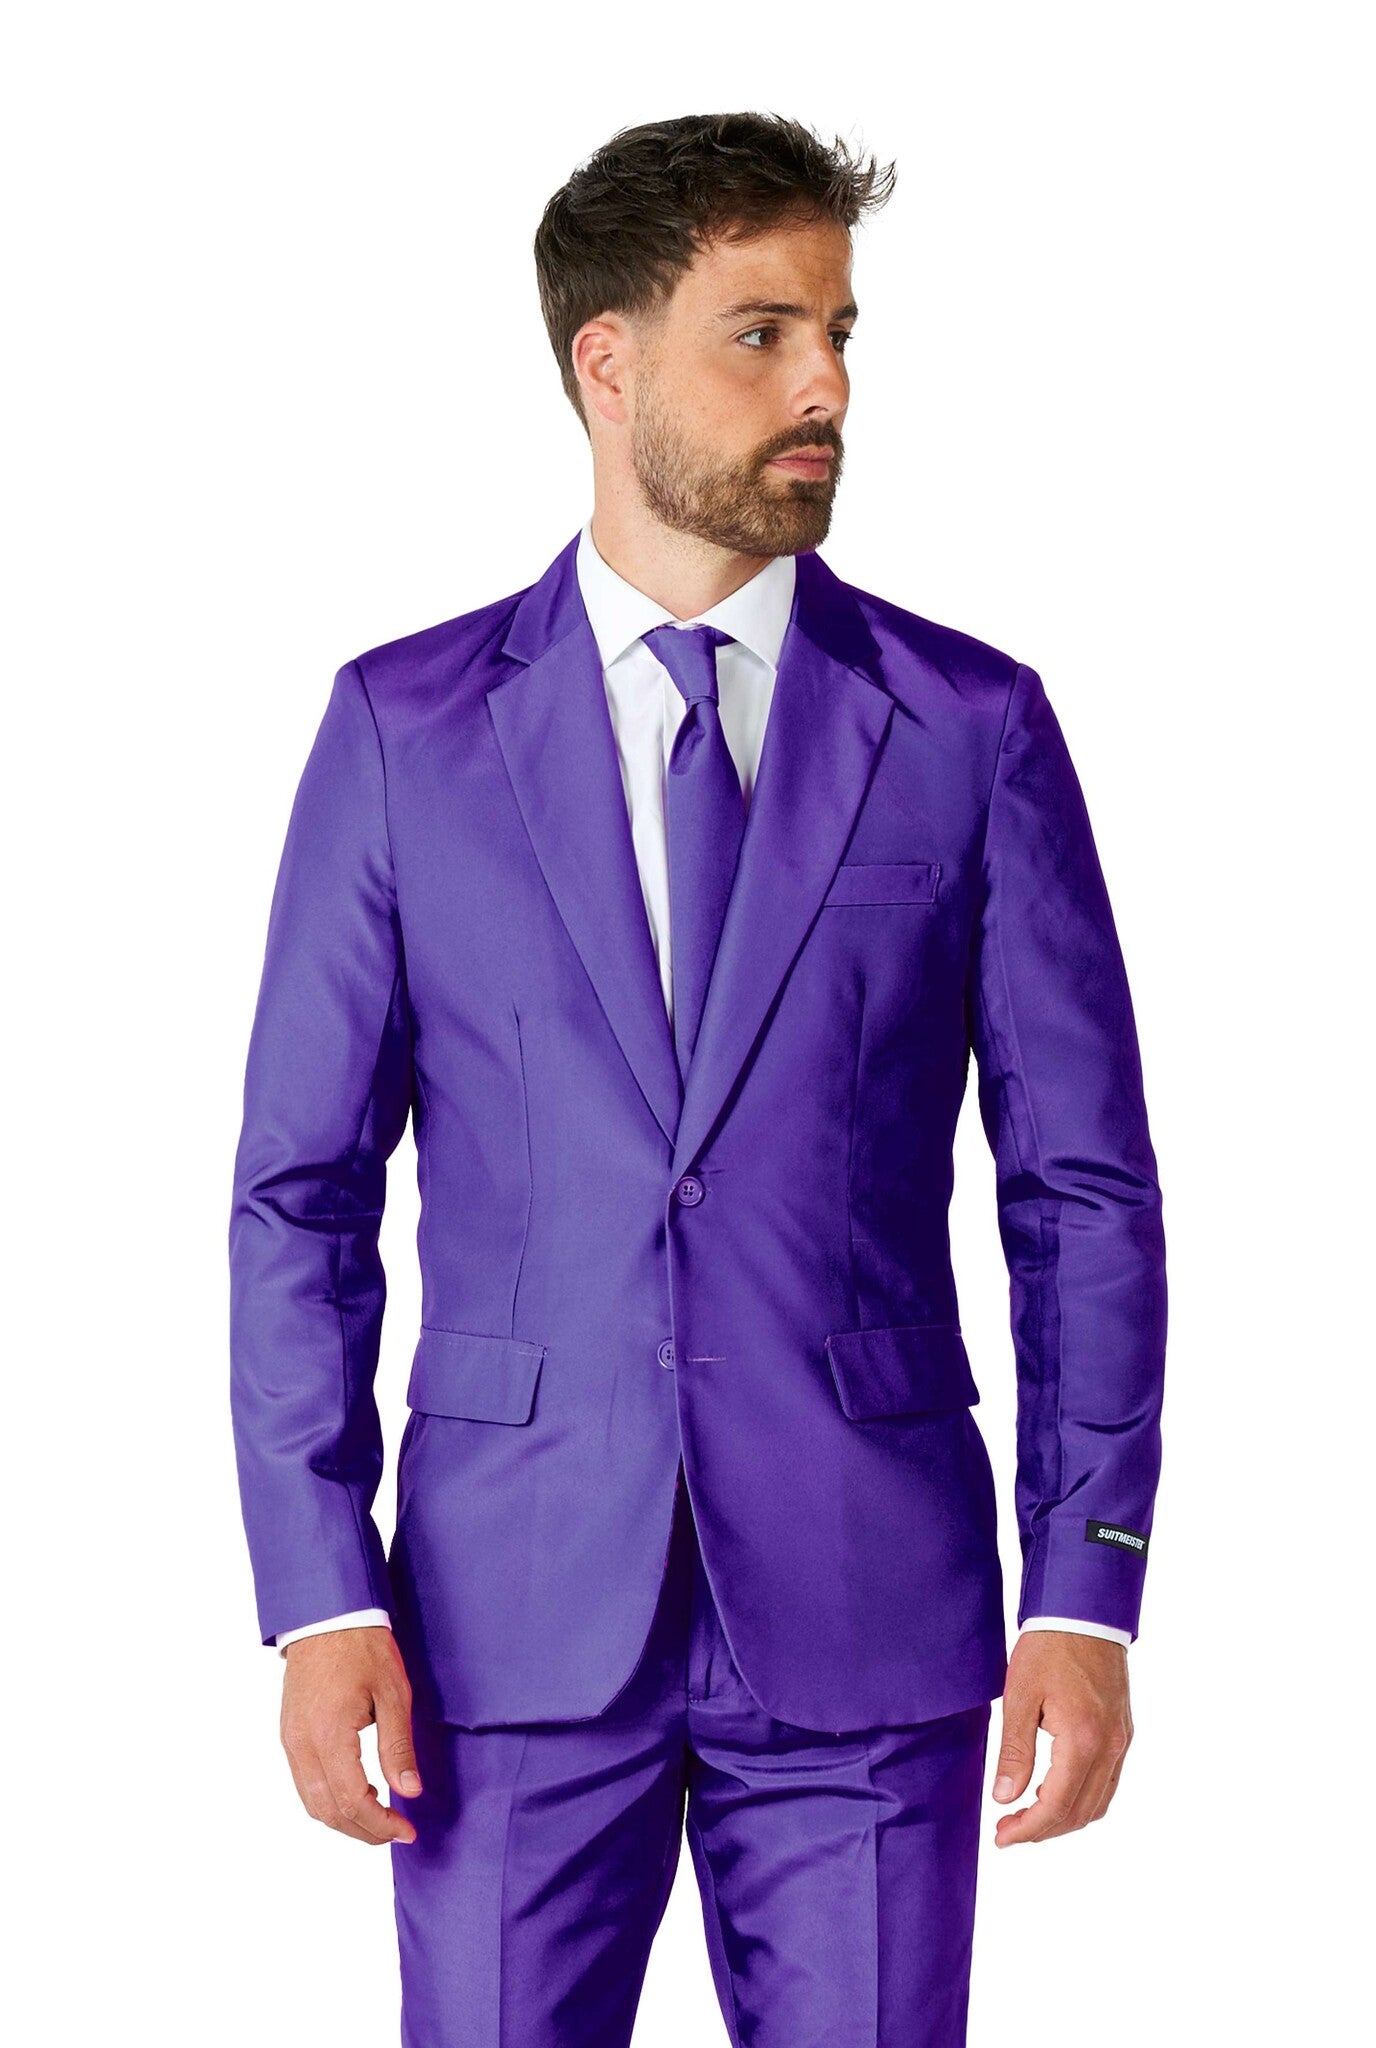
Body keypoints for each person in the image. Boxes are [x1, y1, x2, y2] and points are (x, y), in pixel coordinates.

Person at [229, 110, 1167, 2048]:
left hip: (872, 1608)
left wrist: (1084, 1586)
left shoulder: (967, 725)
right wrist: (320, 1592)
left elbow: (1080, 1192)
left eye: (840, 333)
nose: (827, 386)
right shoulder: (405, 729)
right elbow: (299, 1197)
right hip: (498, 1623)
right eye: (763, 333)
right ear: (609, 361)